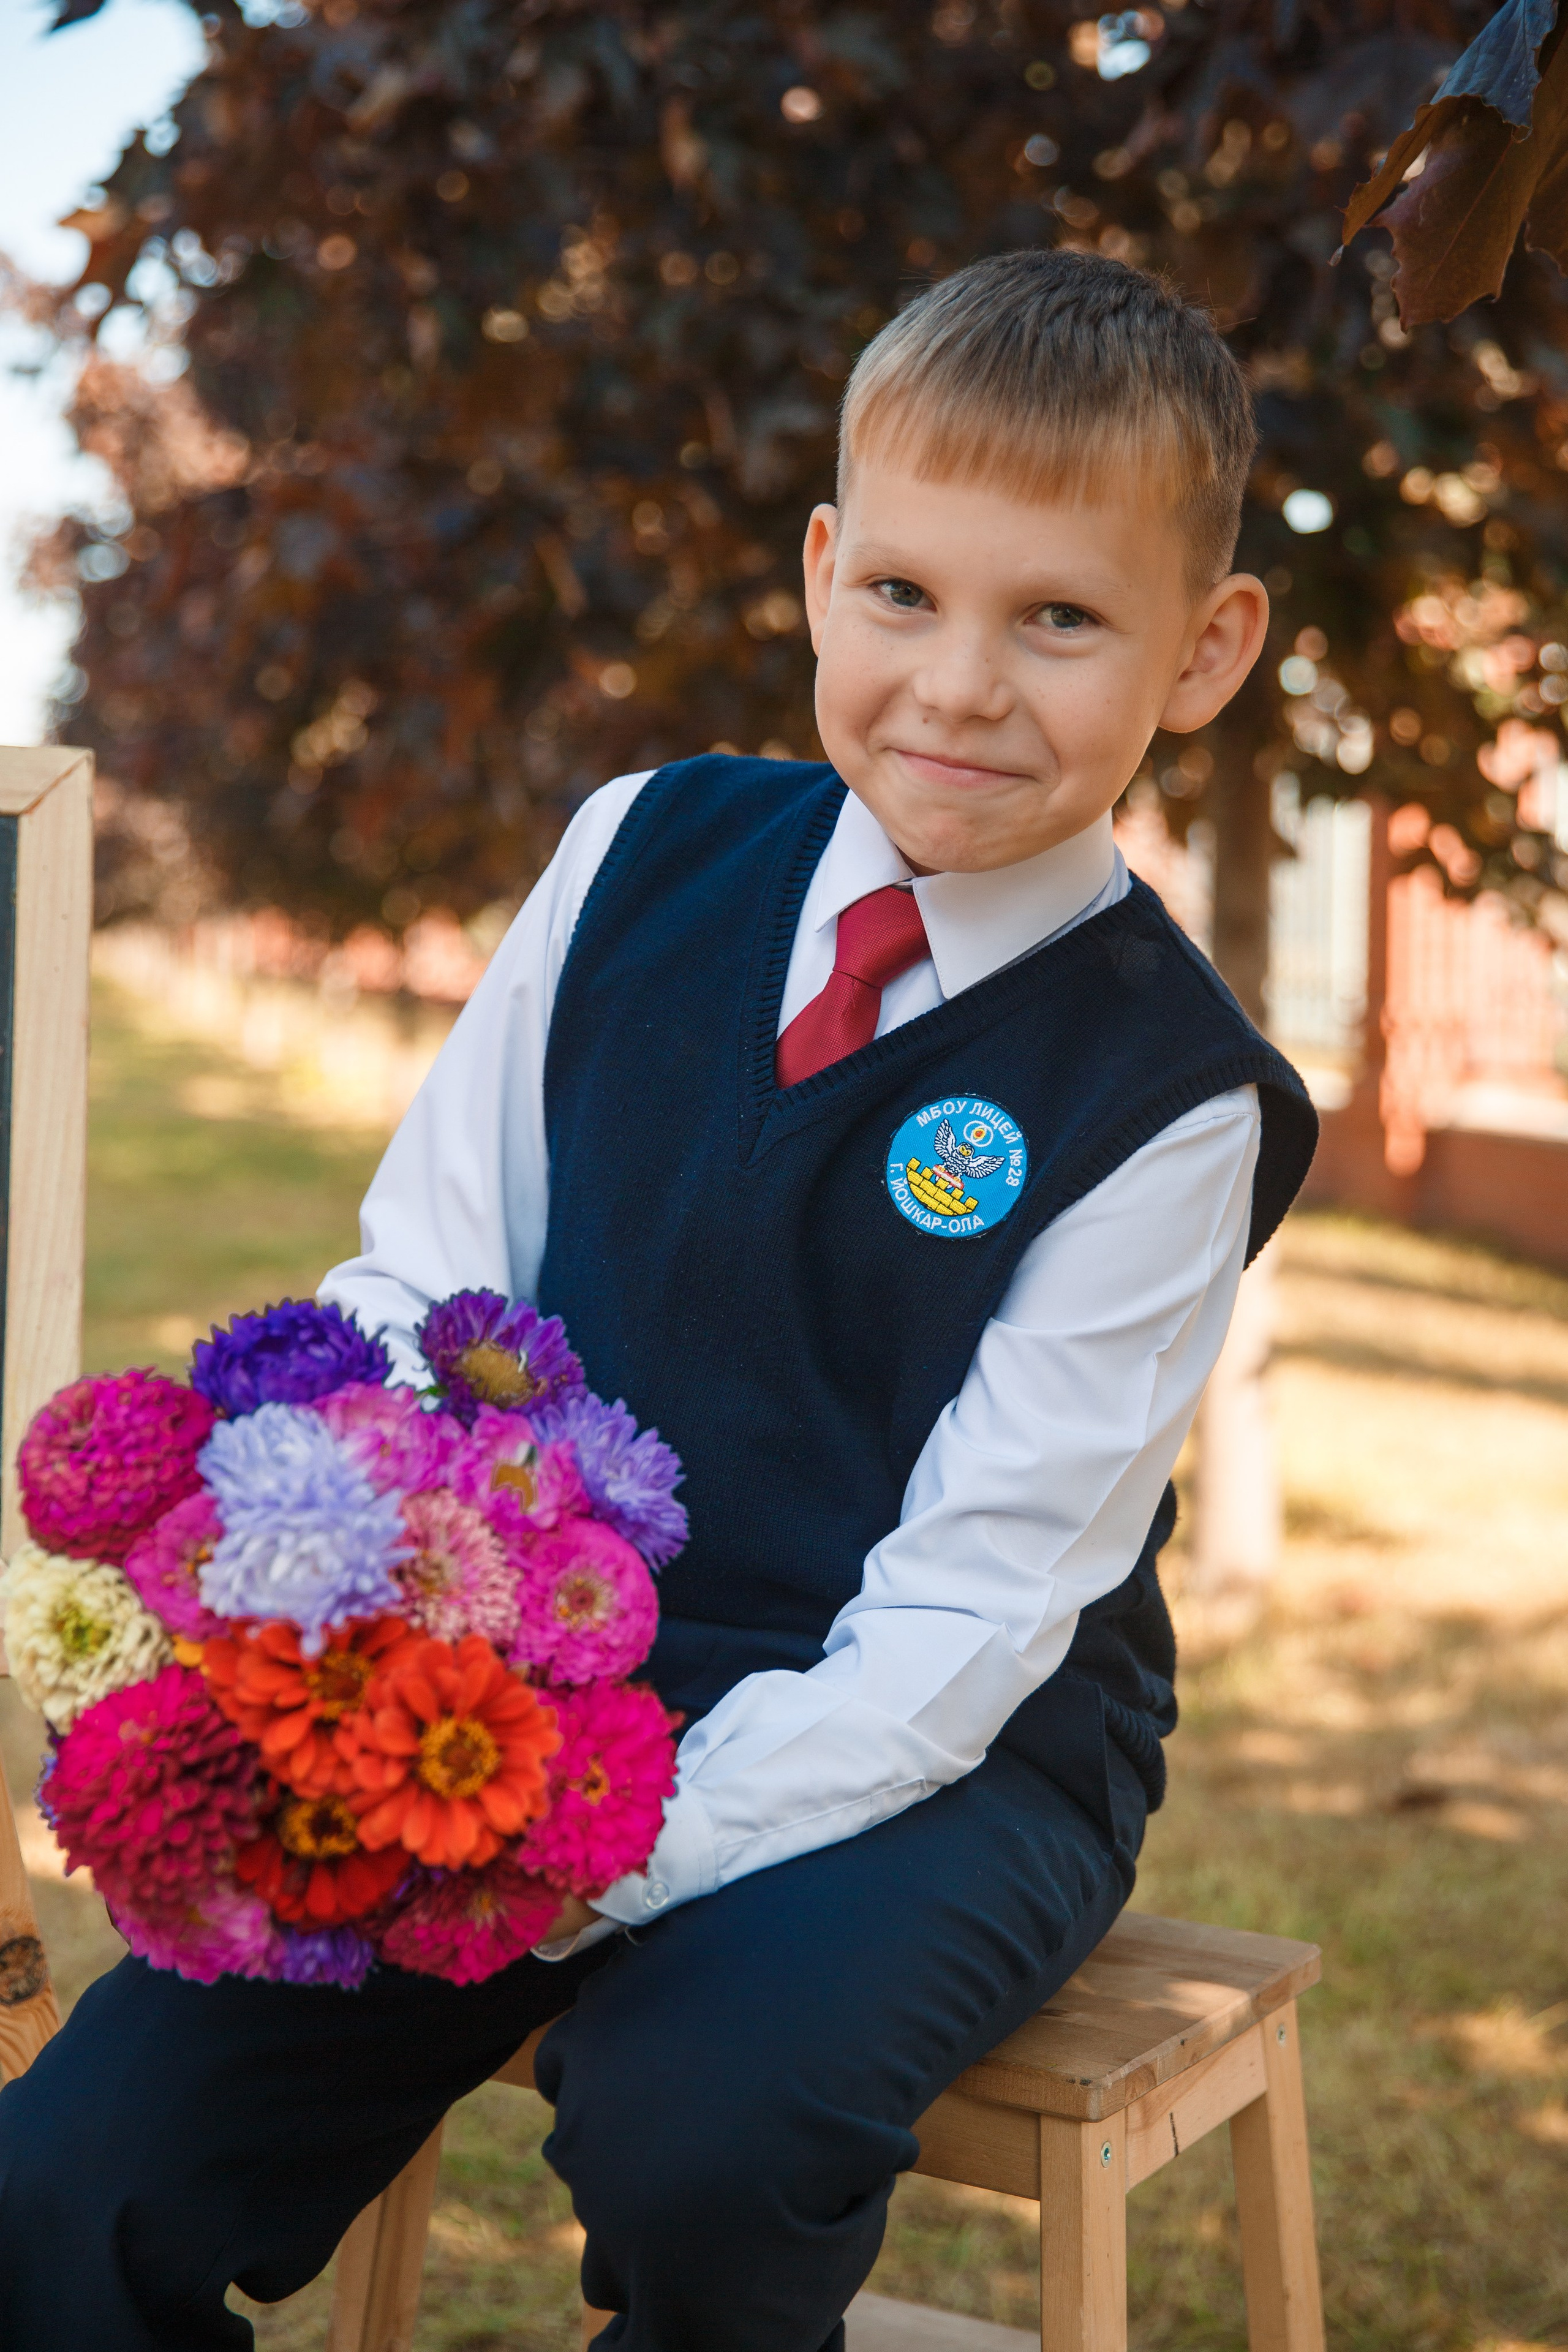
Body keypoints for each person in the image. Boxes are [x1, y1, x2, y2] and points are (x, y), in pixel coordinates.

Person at [0, 247, 1316, 2351]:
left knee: (706, 2118)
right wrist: (334, 1652)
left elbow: (970, 1618)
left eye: (1059, 617)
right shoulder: (638, 852)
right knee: (64, 2184)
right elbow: (420, 1276)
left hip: (950, 1750)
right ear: (819, 574)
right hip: (517, 1669)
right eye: (905, 595)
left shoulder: (1171, 1098)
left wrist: (564, 1853)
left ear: (1205, 646)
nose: (962, 685)